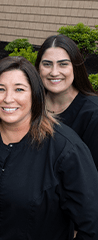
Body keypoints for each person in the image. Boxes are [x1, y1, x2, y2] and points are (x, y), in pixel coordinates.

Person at [0, 56, 98, 240]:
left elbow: (92, 225)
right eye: (0, 89)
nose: (8, 98)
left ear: (35, 95)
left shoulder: (65, 150)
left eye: (19, 89)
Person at [35, 34, 98, 169]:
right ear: (38, 68)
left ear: (75, 67)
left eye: (63, 64)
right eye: (47, 64)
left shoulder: (93, 113)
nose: (54, 72)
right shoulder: (31, 104)